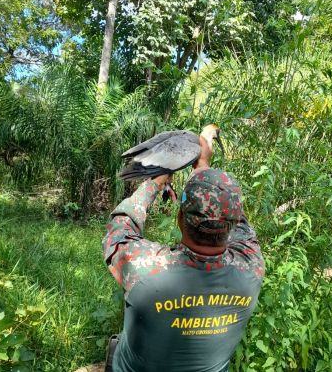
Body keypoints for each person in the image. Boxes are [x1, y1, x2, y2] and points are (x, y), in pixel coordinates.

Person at [102, 137, 265, 372]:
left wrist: (156, 180)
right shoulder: (252, 267)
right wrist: (204, 168)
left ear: (180, 220)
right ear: (232, 225)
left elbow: (120, 225)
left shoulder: (143, 268)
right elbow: (239, 223)